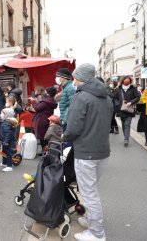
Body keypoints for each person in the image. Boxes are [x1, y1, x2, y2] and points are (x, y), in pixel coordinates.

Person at [63, 63, 113, 241]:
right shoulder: (105, 97)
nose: (73, 80)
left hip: (86, 152)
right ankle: (91, 221)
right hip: (102, 151)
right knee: (92, 190)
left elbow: (73, 127)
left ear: (82, 79)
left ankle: (97, 234)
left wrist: (64, 135)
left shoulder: (81, 97)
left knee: (89, 193)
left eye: (75, 77)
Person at [115, 76, 140, 147]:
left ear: (130, 81)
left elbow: (138, 97)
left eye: (128, 80)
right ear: (123, 81)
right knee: (123, 124)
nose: (127, 82)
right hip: (121, 109)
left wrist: (131, 102)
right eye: (125, 80)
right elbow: (115, 98)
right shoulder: (119, 89)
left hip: (129, 109)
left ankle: (126, 139)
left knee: (127, 124)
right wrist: (118, 105)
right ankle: (126, 136)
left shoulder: (133, 88)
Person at [0, 108, 17, 172]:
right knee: (4, 151)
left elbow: (8, 134)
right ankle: (4, 163)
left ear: (7, 115)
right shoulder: (4, 122)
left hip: (8, 142)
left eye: (2, 114)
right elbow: (1, 131)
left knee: (8, 153)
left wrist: (6, 141)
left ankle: (9, 166)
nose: (0, 114)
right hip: (4, 141)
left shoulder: (7, 124)